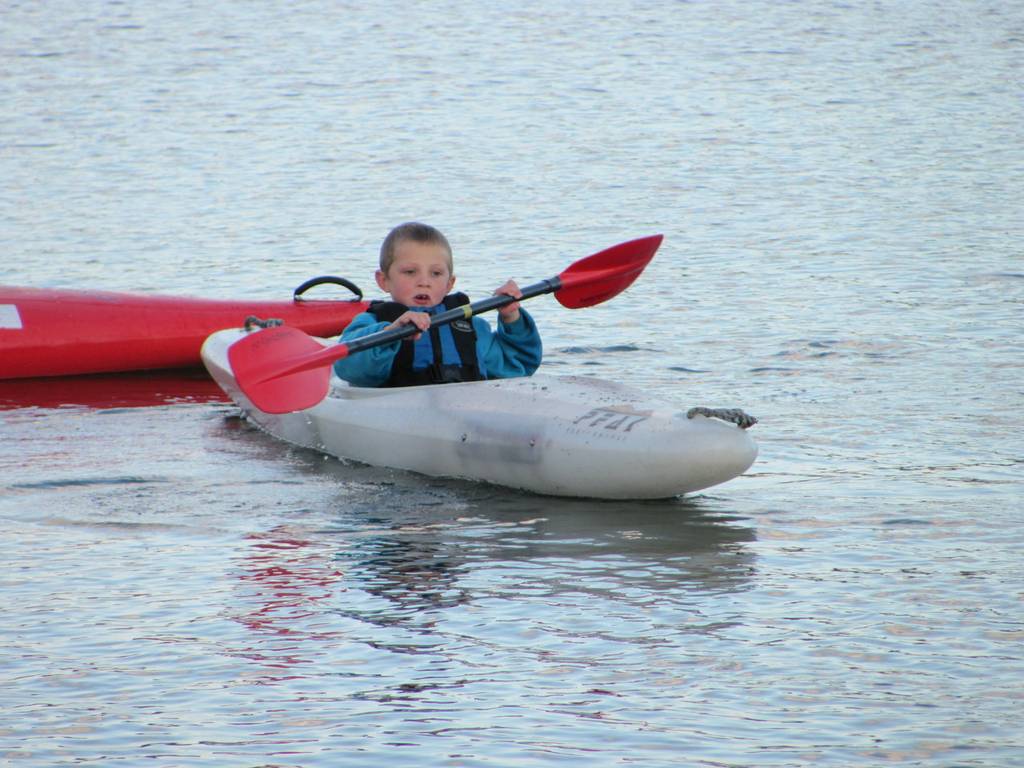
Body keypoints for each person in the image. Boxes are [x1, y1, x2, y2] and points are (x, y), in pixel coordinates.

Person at [333, 222, 542, 387]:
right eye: (410, 272)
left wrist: (511, 316)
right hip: (401, 419)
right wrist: (391, 332)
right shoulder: (371, 323)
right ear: (383, 280)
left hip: (464, 419)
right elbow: (348, 368)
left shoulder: (471, 328)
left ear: (450, 283)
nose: (424, 281)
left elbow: (518, 366)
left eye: (436, 273)